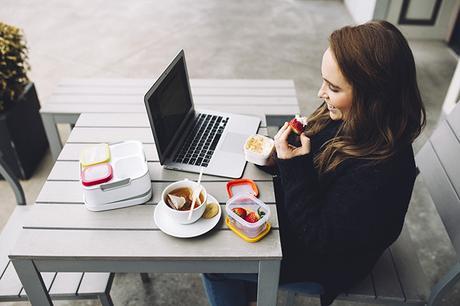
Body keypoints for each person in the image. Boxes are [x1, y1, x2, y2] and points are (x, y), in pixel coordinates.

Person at [202, 20, 426, 306]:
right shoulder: (350, 115)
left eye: (333, 87)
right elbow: (316, 165)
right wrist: (279, 161)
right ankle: (247, 291)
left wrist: (292, 167)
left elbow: (318, 239)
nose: (321, 93)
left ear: (373, 96)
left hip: (329, 262)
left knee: (216, 264)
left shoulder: (383, 173)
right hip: (312, 219)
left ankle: (242, 286)